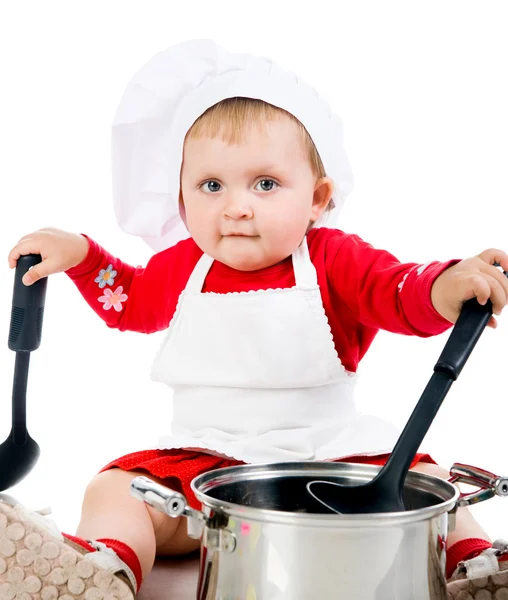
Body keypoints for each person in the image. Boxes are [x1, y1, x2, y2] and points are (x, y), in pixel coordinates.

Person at [1, 39, 508, 599]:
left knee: (432, 488)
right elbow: (131, 300)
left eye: (265, 184)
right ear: (182, 197)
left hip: (334, 461)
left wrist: (446, 286)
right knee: (114, 490)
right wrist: (82, 254)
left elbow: (397, 291)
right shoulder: (184, 267)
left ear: (316, 198)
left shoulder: (333, 258)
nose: (236, 206)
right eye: (211, 186)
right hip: (203, 468)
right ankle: (102, 572)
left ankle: (478, 569)